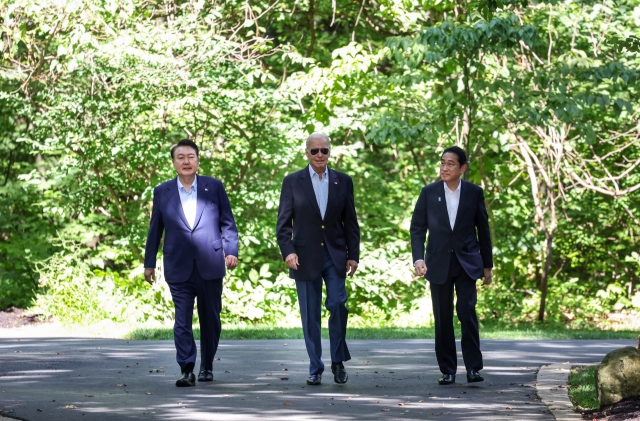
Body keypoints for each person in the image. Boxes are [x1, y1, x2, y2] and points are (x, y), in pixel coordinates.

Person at [144, 139, 239, 387]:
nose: (186, 161)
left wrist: (231, 251)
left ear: (198, 160)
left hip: (210, 263)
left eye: (191, 157)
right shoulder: (162, 191)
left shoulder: (214, 187)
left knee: (211, 318)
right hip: (178, 265)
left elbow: (227, 223)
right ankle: (187, 368)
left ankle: (206, 365)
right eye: (180, 157)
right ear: (174, 162)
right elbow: (155, 230)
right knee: (182, 319)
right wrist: (149, 263)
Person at [276, 133, 360, 386]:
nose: (320, 155)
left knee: (337, 304)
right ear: (307, 153)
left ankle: (338, 361)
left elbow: (351, 222)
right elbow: (283, 224)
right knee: (310, 314)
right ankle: (316, 366)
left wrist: (353, 255)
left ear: (330, 152)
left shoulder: (343, 181)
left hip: (335, 255)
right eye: (315, 151)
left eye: (324, 150)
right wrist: (288, 250)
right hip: (303, 257)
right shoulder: (292, 181)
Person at [410, 146, 493, 385]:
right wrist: (418, 259)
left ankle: (473, 368)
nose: (444, 168)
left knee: (467, 313)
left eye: (451, 164)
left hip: (467, 263)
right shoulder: (429, 192)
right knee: (443, 317)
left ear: (462, 168)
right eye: (442, 163)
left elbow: (483, 230)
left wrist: (487, 266)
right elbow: (417, 229)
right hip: (437, 263)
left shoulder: (474, 192)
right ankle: (447, 370)